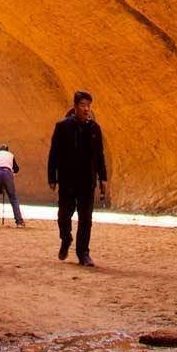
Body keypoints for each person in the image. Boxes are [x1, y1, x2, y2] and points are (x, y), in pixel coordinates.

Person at [47, 91, 108, 268]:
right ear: (75, 106)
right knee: (63, 216)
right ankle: (66, 238)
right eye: (83, 105)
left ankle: (84, 253)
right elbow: (54, 153)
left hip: (87, 182)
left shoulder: (95, 129)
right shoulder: (62, 127)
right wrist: (52, 176)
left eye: (88, 105)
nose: (86, 109)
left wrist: (102, 178)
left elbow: (100, 156)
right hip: (67, 181)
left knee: (86, 219)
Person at [0, 141, 25, 226]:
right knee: (13, 198)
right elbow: (17, 169)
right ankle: (19, 222)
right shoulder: (10, 155)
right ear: (7, 150)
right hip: (7, 173)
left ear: (0, 150)